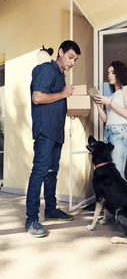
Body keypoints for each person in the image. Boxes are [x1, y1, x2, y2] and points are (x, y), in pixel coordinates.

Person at [25, 40, 81, 237]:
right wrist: (63, 94)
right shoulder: (46, 69)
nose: (73, 62)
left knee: (52, 172)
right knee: (40, 171)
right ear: (61, 52)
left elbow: (54, 100)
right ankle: (31, 219)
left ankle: (50, 209)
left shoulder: (60, 76)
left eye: (75, 59)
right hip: (45, 131)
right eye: (70, 57)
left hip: (57, 132)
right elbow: (37, 97)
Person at [94, 60, 127, 180]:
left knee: (117, 173)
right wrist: (98, 105)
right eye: (108, 73)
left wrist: (110, 103)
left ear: (120, 73)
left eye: (113, 72)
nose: (109, 75)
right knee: (111, 173)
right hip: (108, 132)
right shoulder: (113, 95)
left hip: (119, 132)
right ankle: (113, 199)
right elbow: (106, 119)